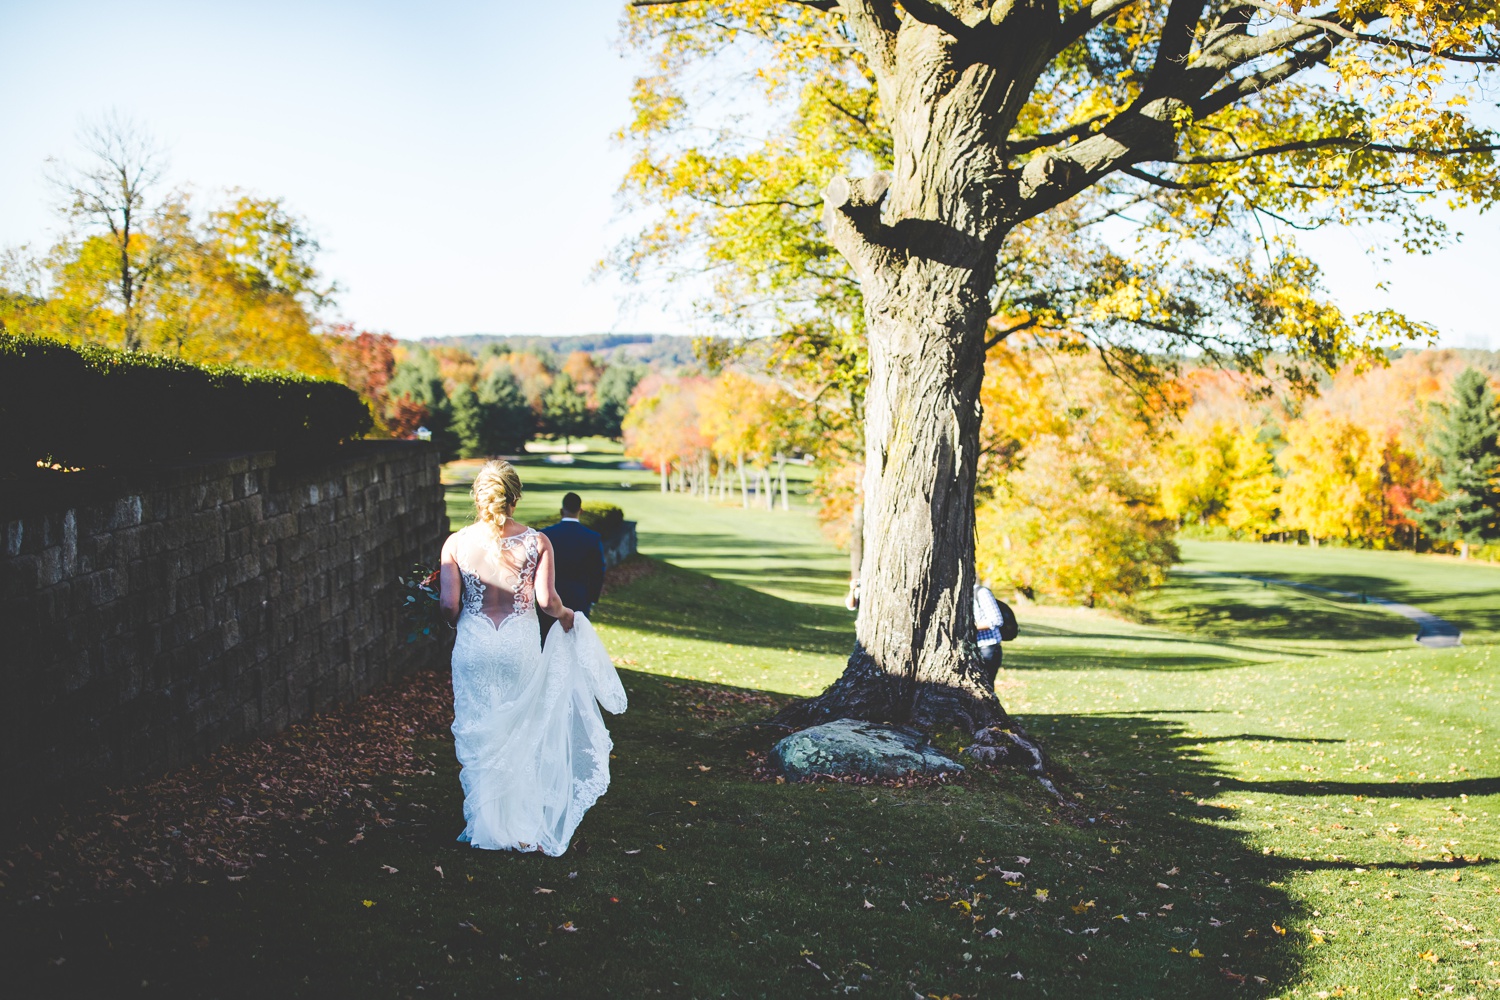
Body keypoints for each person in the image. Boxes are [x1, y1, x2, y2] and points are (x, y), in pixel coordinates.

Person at [439, 461, 627, 855]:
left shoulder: (455, 544)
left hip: (473, 645)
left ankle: (484, 825)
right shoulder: (537, 542)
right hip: (517, 646)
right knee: (518, 731)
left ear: (478, 495)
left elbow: (449, 607)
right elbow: (547, 602)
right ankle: (518, 824)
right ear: (515, 496)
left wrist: (456, 614)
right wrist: (568, 616)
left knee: (480, 726)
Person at [539, 492, 606, 644]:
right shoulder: (591, 538)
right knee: (575, 643)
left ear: (561, 511)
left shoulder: (546, 535)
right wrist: (592, 598)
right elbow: (598, 572)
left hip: (549, 595)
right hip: (579, 598)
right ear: (580, 511)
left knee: (547, 642)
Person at [974, 581, 1019, 671]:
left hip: (987, 648)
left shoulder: (981, 592)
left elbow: (996, 620)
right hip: (973, 647)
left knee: (985, 683)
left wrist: (971, 627)